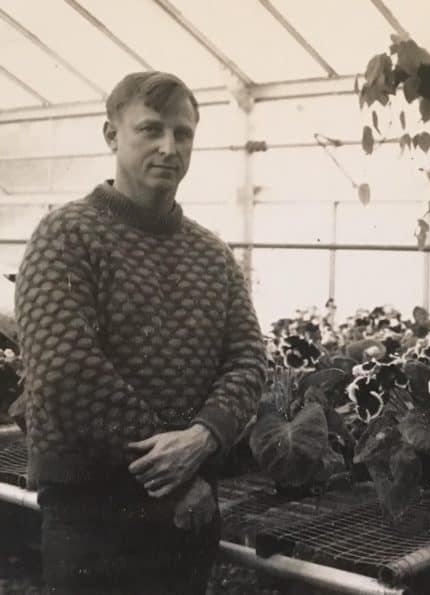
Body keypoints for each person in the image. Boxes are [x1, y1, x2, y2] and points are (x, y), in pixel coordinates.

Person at [14, 71, 267, 594]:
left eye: (183, 133)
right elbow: (66, 372)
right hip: (95, 518)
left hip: (188, 516)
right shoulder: (66, 235)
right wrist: (175, 478)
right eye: (150, 130)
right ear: (111, 135)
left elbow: (248, 359)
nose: (168, 147)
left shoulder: (211, 254)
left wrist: (203, 437)